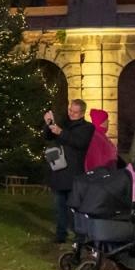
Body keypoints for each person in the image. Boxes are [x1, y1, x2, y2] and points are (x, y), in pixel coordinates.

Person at [42, 99, 95, 245]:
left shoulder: (87, 127)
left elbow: (79, 142)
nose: (71, 113)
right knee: (59, 207)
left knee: (76, 208)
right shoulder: (64, 123)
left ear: (82, 113)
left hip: (74, 173)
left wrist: (61, 132)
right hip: (59, 171)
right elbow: (47, 137)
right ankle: (61, 234)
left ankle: (80, 236)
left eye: (75, 112)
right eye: (70, 110)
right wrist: (49, 124)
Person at [82, 108, 118, 172]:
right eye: (107, 120)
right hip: (101, 176)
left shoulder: (100, 135)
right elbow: (94, 159)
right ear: (102, 122)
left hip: (106, 173)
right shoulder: (95, 136)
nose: (108, 122)